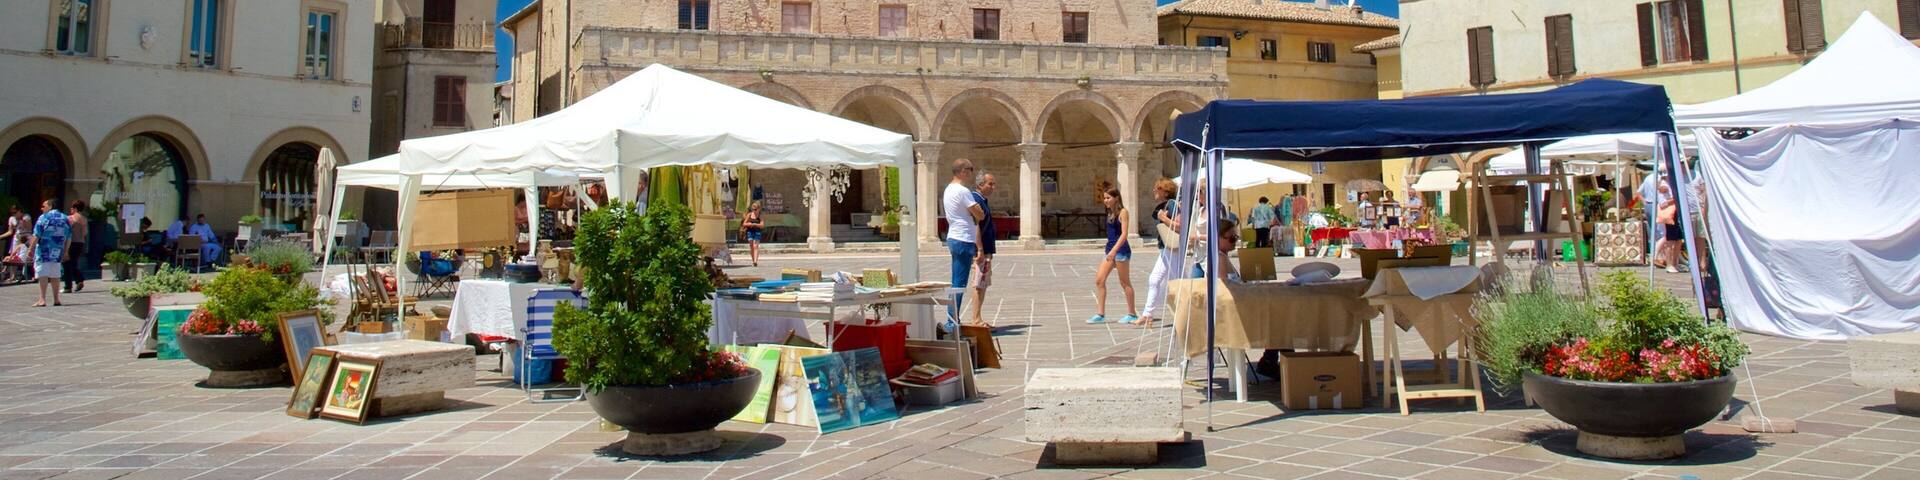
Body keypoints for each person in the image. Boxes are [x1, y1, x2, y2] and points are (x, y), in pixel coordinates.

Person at [943, 159, 985, 323]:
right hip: (963, 238)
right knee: (959, 284)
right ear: (962, 171)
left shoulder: (948, 189)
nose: (971, 173)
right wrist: (977, 211)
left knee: (956, 281)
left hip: (954, 236)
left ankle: (952, 319)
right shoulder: (963, 191)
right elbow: (980, 214)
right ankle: (952, 322)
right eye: (970, 169)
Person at [1088, 186, 1138, 324]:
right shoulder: (1109, 212)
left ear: (1116, 198)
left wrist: (1115, 250)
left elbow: (1124, 234)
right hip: (1109, 250)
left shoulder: (1123, 212)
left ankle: (1132, 313)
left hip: (1120, 250)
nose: (1106, 200)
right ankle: (1100, 314)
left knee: (1124, 282)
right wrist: (1110, 251)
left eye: (1108, 198)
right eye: (1104, 198)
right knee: (1099, 279)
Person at [1140, 179, 1180, 326]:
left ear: (1165, 191)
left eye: (1157, 188)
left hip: (1172, 248)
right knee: (1154, 279)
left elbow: (1179, 226)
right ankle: (1147, 314)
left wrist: (1163, 218)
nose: (1154, 191)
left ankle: (1184, 313)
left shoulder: (1172, 205)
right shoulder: (1166, 206)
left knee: (1178, 281)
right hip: (1165, 247)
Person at [967, 172, 998, 327]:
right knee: (979, 283)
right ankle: (976, 319)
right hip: (981, 249)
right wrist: (979, 249)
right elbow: (975, 225)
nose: (993, 187)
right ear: (980, 185)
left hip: (986, 249)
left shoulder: (982, 200)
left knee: (983, 283)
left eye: (993, 184)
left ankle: (978, 317)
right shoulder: (975, 199)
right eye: (990, 184)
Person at [30, 200, 70, 307]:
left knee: (43, 273)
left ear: (50, 206)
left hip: (44, 250)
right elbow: (68, 237)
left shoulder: (44, 217)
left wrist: (30, 249)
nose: (42, 208)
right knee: (55, 274)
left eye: (44, 206)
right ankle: (56, 299)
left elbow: (37, 234)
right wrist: (66, 251)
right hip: (58, 251)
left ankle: (42, 299)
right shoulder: (65, 218)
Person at [62, 201, 89, 293]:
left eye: (72, 208)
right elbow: (85, 233)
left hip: (71, 242)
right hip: (80, 242)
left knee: (66, 264)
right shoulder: (84, 219)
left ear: (75, 208)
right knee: (73, 262)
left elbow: (66, 231)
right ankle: (79, 279)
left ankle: (68, 286)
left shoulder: (70, 218)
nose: (70, 210)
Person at [742, 200, 765, 267]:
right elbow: (744, 224)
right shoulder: (749, 215)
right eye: (753, 209)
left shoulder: (760, 216)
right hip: (750, 231)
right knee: (751, 246)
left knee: (756, 246)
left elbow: (762, 225)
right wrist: (749, 224)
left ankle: (755, 261)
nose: (754, 210)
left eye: (755, 209)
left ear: (758, 209)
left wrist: (755, 224)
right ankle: (753, 260)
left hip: (757, 231)